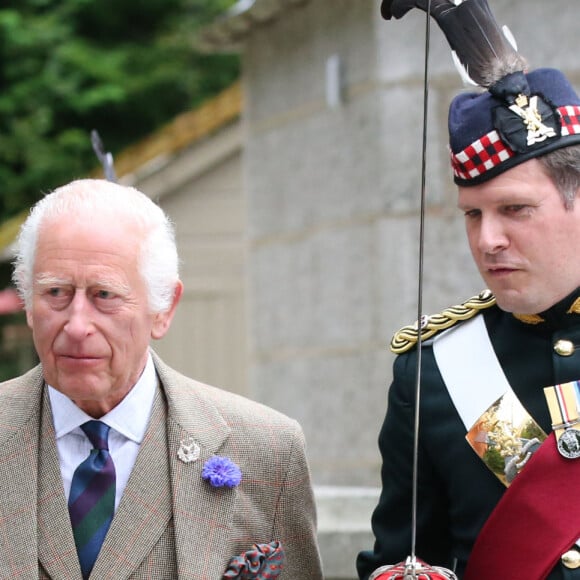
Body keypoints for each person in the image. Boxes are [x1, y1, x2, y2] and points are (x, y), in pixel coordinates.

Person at [0, 178, 323, 579]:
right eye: (56, 293)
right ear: (29, 304)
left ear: (163, 308)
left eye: (104, 295)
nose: (77, 324)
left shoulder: (267, 451)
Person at [357, 1, 580, 579]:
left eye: (515, 210)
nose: (489, 239)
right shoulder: (437, 373)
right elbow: (403, 557)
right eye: (472, 215)